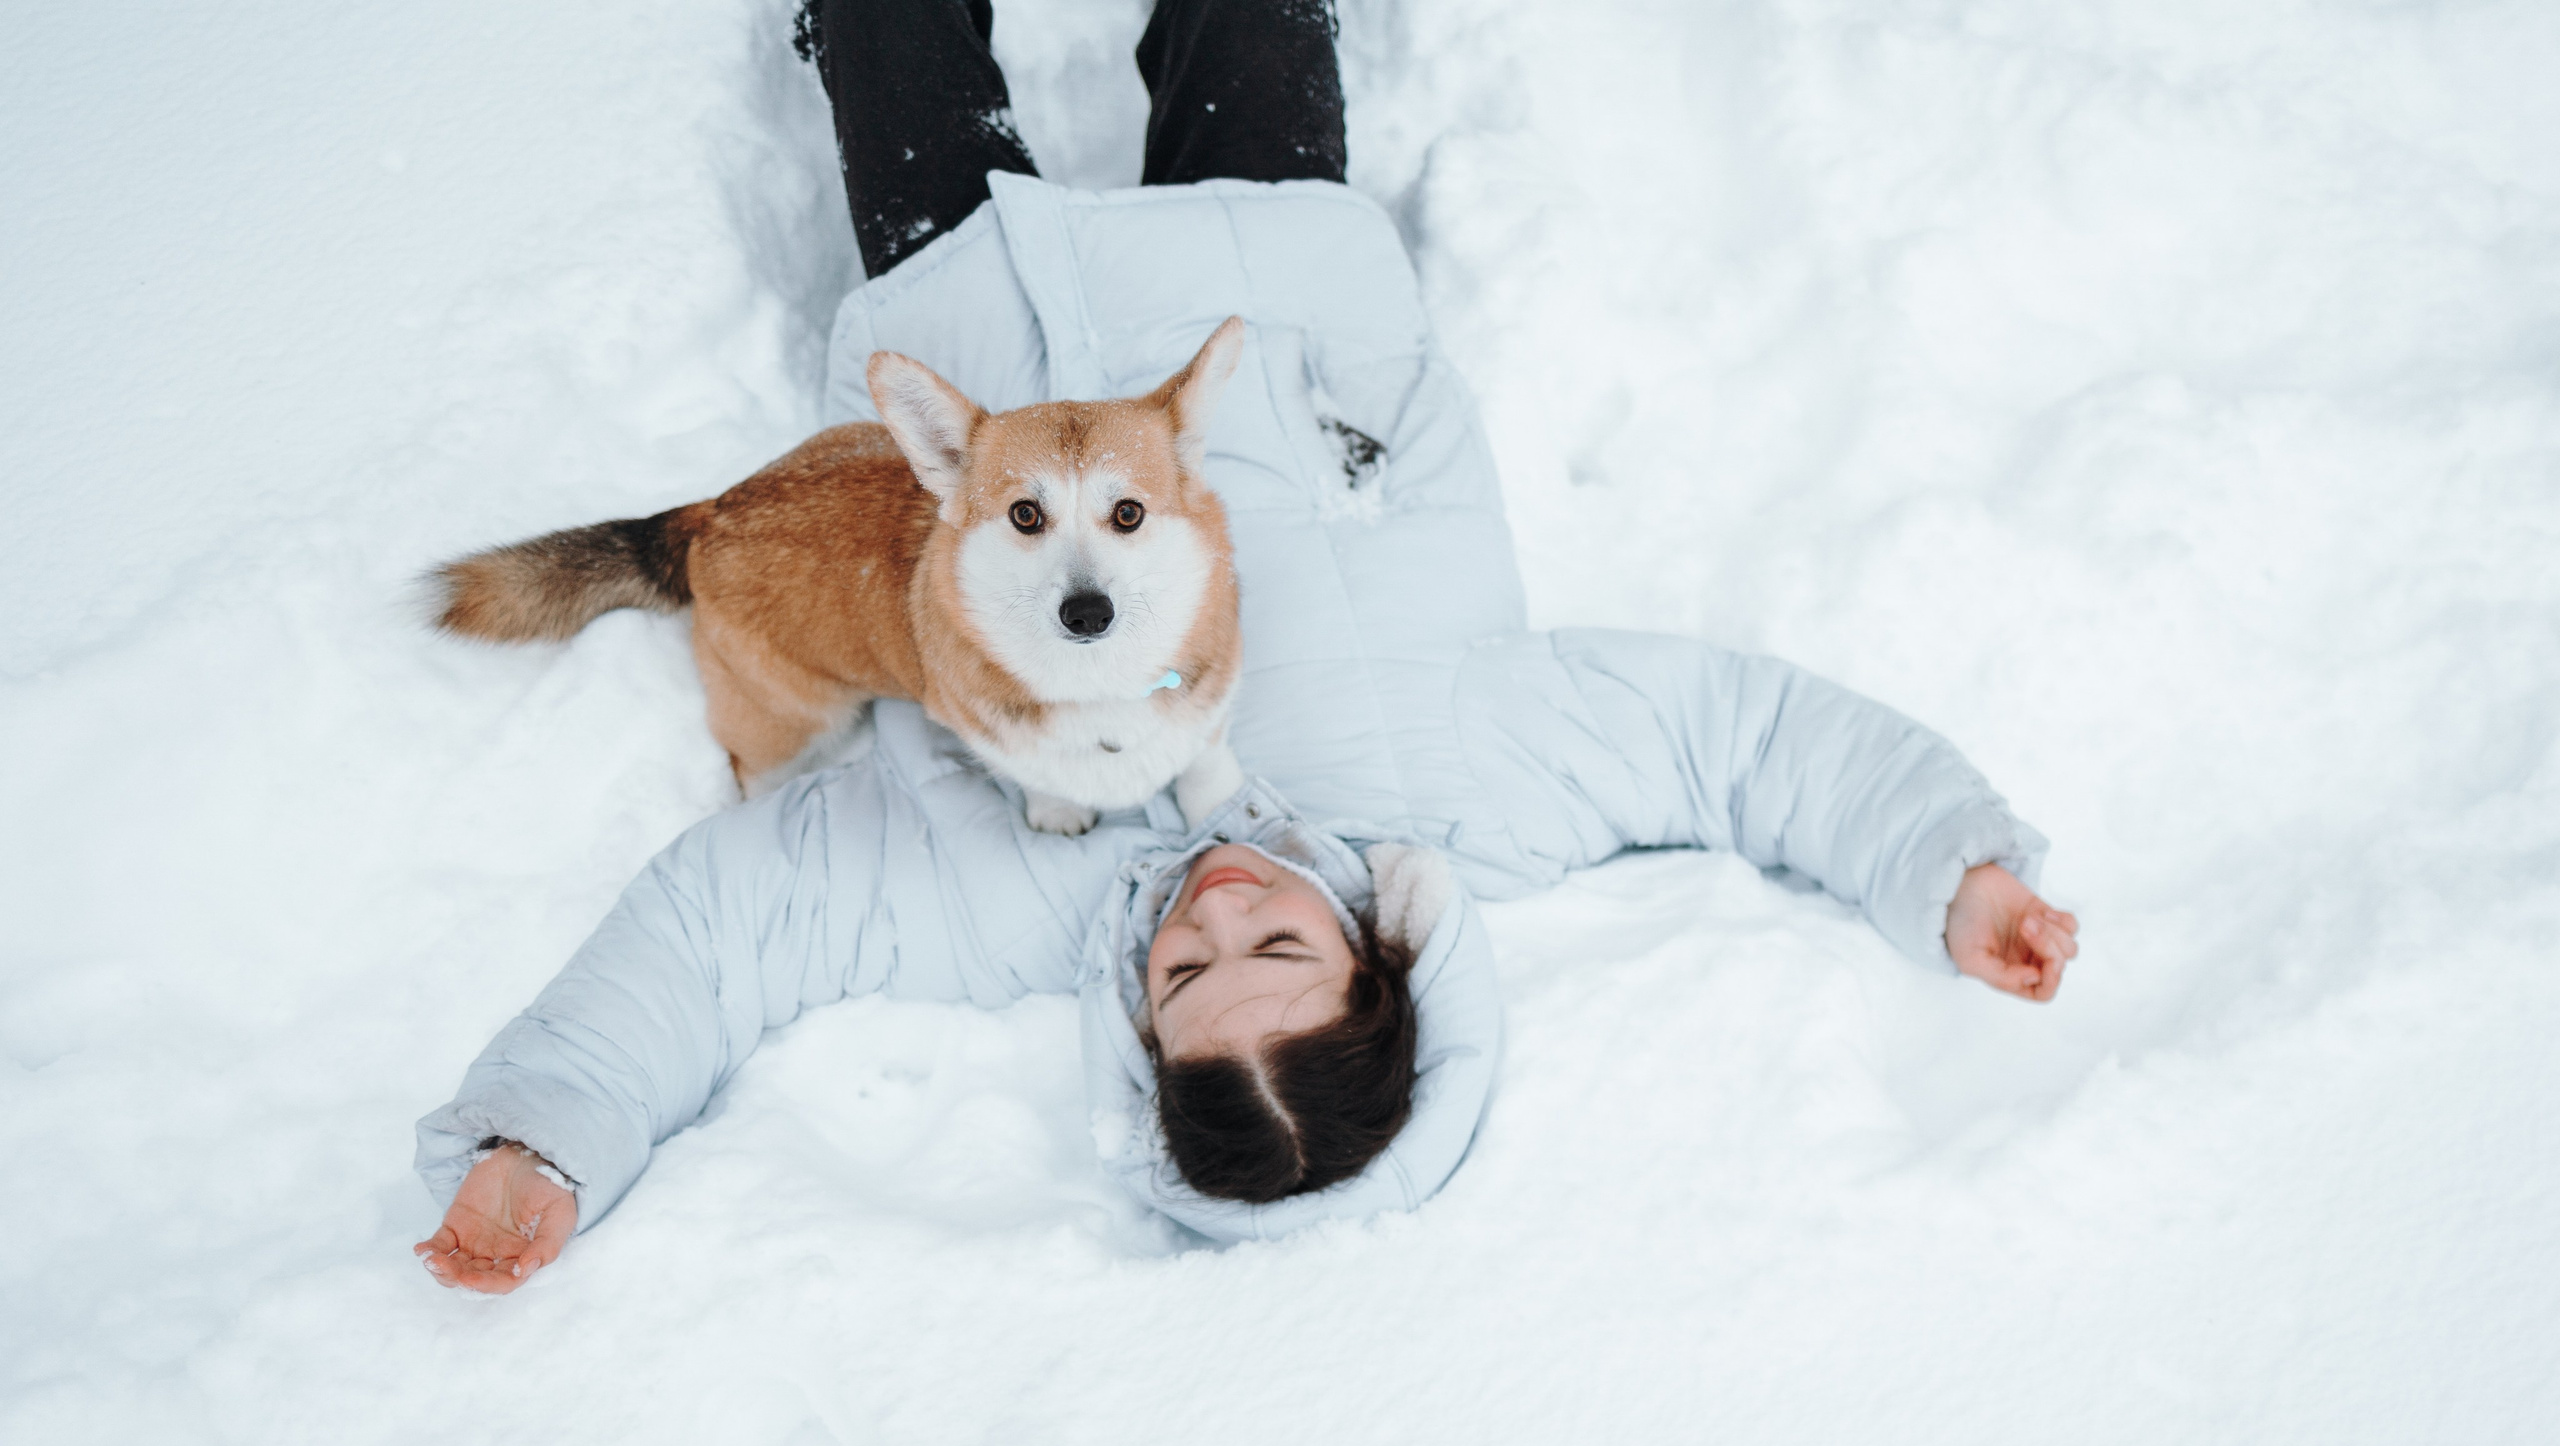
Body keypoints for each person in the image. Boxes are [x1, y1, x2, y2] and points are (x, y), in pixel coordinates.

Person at [415, 0, 2078, 1291]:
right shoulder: (1479, 789)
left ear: (1139, 1030)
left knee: (892, 30)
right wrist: (1948, 868)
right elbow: (1746, 744)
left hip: (984, 329)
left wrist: (546, 1139)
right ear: (1379, 964)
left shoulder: (1010, 902)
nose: (1216, 920)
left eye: (1185, 984)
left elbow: (726, 927)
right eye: (1282, 954)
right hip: (1267, 294)